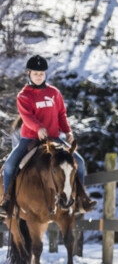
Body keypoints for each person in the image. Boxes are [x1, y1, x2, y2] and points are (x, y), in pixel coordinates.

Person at [1, 55, 97, 213]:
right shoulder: (24, 95)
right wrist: (38, 128)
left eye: (41, 73)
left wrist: (67, 131)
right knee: (10, 165)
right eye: (35, 73)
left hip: (54, 138)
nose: (39, 76)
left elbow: (61, 114)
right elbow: (27, 117)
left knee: (79, 161)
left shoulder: (54, 93)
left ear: (45, 74)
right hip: (30, 139)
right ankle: (7, 201)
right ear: (29, 74)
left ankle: (81, 198)